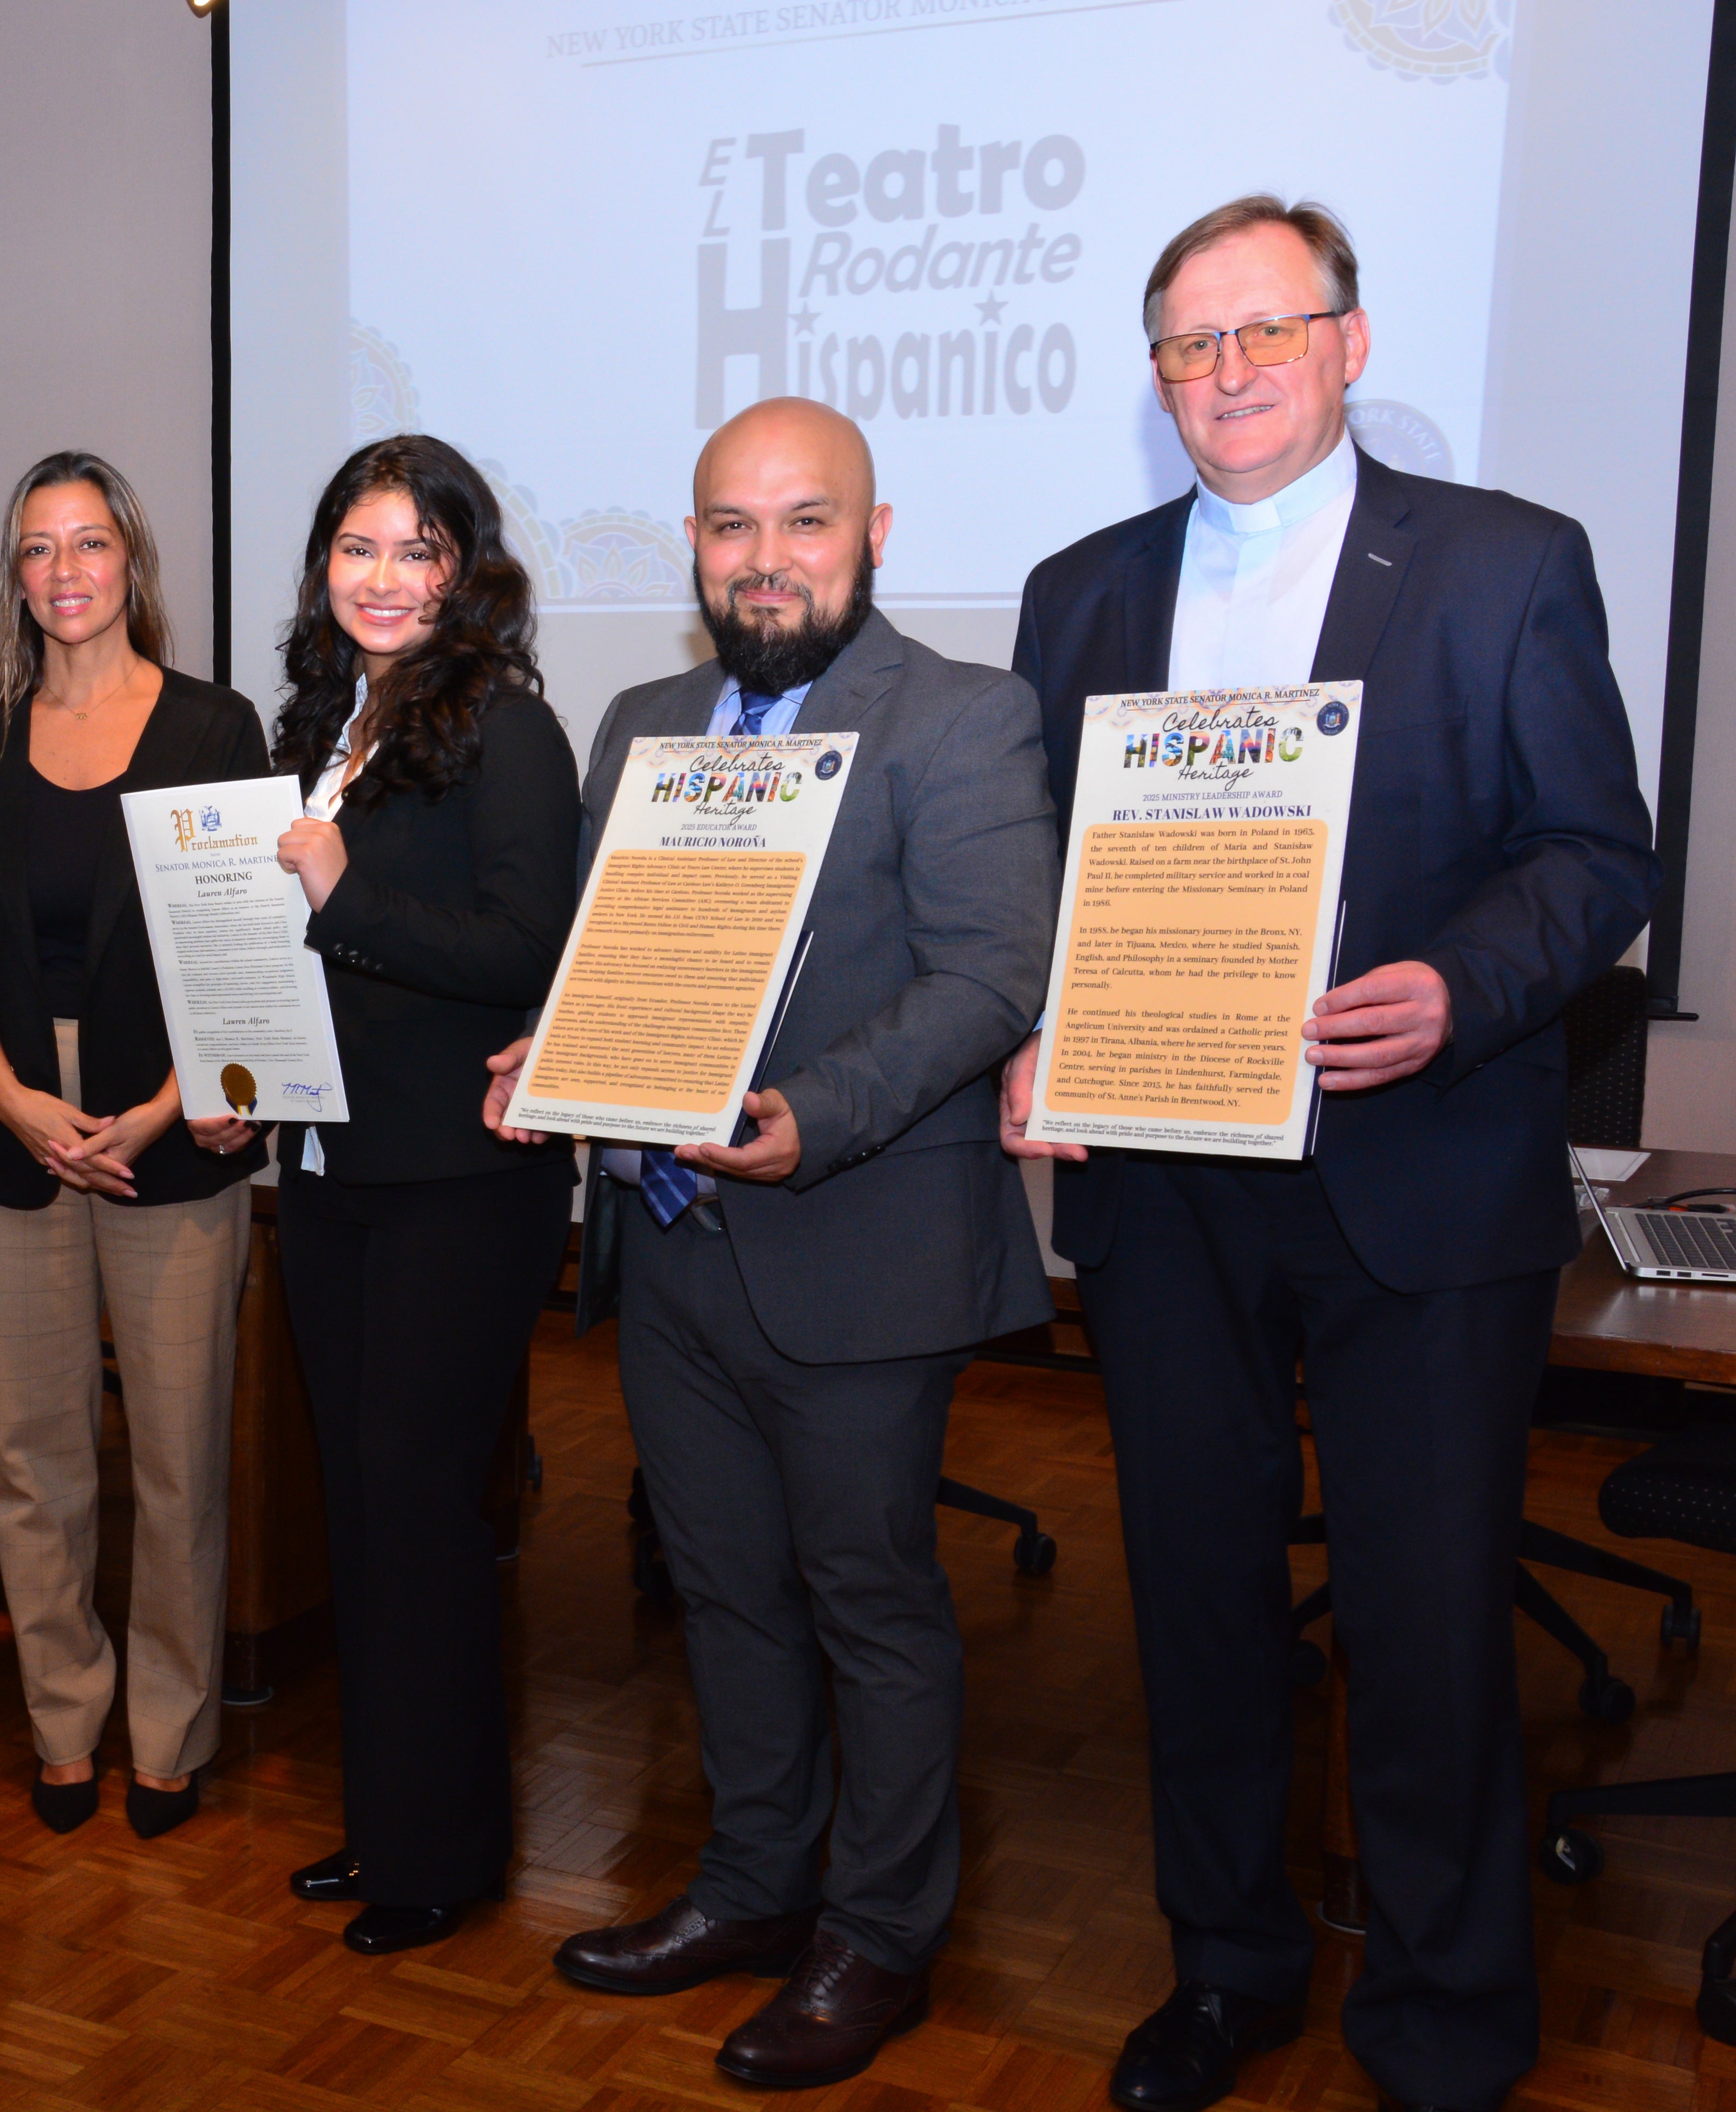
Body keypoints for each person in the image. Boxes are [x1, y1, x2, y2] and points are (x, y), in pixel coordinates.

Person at [1003, 198, 1656, 2112]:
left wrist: (1459, 987)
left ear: (1348, 342)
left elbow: (1595, 857)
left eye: (1264, 331)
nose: (1228, 374)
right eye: (1188, 347)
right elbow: (1048, 876)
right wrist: (1036, 1020)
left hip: (1418, 1173)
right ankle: (1227, 1971)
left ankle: (1448, 2018)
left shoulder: (1504, 565)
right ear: (1155, 378)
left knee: (1426, 1620)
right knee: (1202, 1609)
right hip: (1162, 1179)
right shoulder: (1079, 590)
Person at [485, 401, 1058, 2085]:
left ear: (872, 534)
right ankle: (747, 1884)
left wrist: (817, 1108)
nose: (763, 557)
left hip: (855, 1233)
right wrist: (556, 1043)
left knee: (865, 1598)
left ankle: (877, 1933)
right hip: (665, 1246)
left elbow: (989, 974)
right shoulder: (643, 721)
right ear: (691, 545)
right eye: (730, 525)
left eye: (803, 521)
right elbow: (621, 954)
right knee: (722, 1590)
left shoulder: (960, 719)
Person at [0, 453, 269, 1840]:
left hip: (167, 1118)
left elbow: (245, 935)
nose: (65, 572)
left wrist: (171, 1102)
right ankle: (64, 1718)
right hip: (16, 1112)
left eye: (89, 544)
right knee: (33, 1454)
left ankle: (167, 1731)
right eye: (36, 549)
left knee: (178, 1455)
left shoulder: (211, 726)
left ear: (133, 562)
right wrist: (4, 1093)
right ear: (16, 576)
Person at [264, 434, 579, 1954]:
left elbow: (526, 950)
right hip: (327, 1168)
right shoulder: (327, 721)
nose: (382, 578)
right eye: (357, 547)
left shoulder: (502, 730)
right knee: (363, 1516)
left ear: (464, 572)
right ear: (323, 564)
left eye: (416, 551)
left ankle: (444, 1854)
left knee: (425, 1517)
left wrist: (343, 892)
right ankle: (390, 1822)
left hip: (458, 1180)